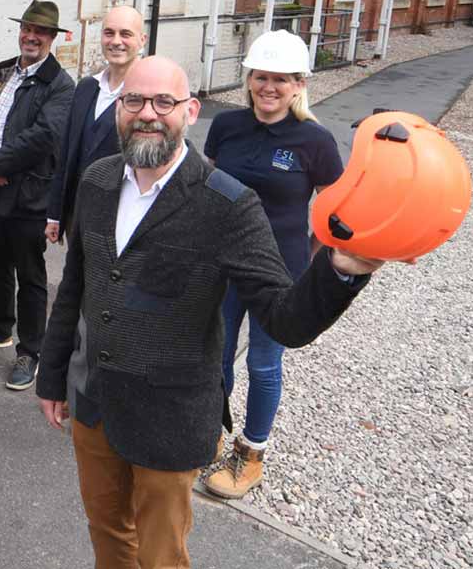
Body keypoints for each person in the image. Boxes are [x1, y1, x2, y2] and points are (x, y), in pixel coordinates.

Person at [36, 56, 386, 569]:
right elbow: (76, 286)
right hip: (95, 402)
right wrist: (52, 376)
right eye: (134, 100)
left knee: (161, 554)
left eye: (164, 102)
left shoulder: (228, 203)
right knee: (107, 533)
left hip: (170, 419)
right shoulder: (98, 180)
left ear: (191, 111)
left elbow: (283, 316)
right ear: (117, 109)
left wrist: (342, 270)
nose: (148, 114)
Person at [202, 30, 344, 499]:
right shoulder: (226, 127)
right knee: (215, 355)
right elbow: (204, 187)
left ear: (300, 84)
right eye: (261, 76)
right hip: (221, 266)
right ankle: (208, 432)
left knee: (263, 364)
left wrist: (312, 265)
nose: (270, 87)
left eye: (281, 79)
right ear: (249, 79)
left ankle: (251, 454)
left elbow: (335, 213)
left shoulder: (316, 142)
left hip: (279, 276)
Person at [0, 0, 75, 391]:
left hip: (28, 193)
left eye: (40, 32)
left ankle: (30, 350)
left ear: (51, 39)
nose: (31, 36)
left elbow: (42, 137)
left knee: (30, 274)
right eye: (27, 28)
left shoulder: (61, 85)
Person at [46, 5, 145, 245]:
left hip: (120, 218)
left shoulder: (148, 96)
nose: (116, 41)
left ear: (142, 40)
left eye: (126, 34)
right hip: (76, 215)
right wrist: (55, 213)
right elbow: (67, 151)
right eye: (109, 33)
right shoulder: (86, 87)